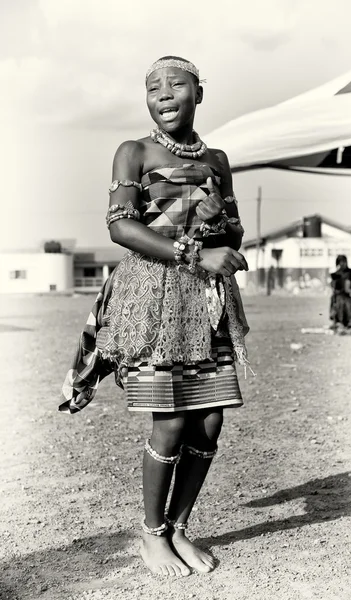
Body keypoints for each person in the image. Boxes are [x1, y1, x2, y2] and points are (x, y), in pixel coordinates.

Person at [60, 56, 251, 578]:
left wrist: (217, 222)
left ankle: (179, 528)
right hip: (156, 296)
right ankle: (151, 535)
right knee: (170, 420)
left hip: (208, 300)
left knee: (209, 422)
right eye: (152, 88)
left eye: (176, 84)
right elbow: (121, 228)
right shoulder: (133, 151)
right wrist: (194, 251)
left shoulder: (217, 157)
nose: (164, 94)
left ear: (199, 93)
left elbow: (234, 234)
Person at [330, 255, 351, 330]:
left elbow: (350, 287)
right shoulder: (335, 274)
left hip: (349, 295)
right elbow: (334, 287)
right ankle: (340, 322)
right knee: (340, 302)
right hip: (340, 296)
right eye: (341, 262)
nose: (343, 264)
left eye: (344, 261)